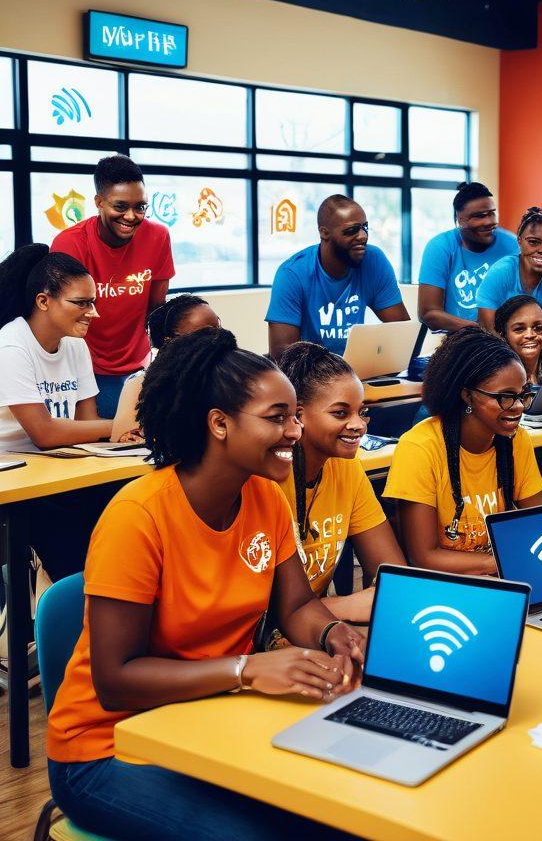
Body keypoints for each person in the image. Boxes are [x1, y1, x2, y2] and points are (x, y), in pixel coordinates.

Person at [46, 327, 365, 841]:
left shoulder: (266, 498)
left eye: (295, 416)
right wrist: (247, 669)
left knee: (343, 814)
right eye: (277, 418)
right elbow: (115, 680)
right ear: (219, 423)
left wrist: (333, 634)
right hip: (107, 750)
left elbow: (296, 606)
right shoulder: (138, 516)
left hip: (210, 722)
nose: (295, 432)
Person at [0, 245, 137, 581]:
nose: (93, 313)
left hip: (58, 467)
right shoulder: (11, 345)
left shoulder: (75, 344)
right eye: (81, 303)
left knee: (129, 496)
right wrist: (117, 424)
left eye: (93, 302)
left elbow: (86, 424)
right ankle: (78, 598)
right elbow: (44, 433)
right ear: (43, 301)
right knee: (71, 540)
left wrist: (124, 434)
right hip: (17, 475)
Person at [384, 326, 542, 574]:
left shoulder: (516, 439)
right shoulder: (419, 447)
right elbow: (424, 557)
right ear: (467, 397)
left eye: (523, 394)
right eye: (505, 396)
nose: (518, 406)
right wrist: (503, 563)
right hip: (446, 585)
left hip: (500, 576)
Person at [277, 342, 405, 623]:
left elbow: (392, 575)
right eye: (341, 413)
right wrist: (345, 606)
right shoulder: (269, 478)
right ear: (298, 415)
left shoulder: (346, 467)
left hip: (317, 626)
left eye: (362, 411)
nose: (359, 425)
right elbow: (264, 610)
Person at [51, 154, 174, 418]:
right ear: (99, 202)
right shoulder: (70, 243)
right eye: (120, 206)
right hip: (86, 366)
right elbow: (63, 318)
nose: (131, 216)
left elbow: (157, 308)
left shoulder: (158, 236)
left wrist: (162, 365)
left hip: (139, 365)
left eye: (140, 207)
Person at [266, 194, 408, 361]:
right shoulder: (292, 274)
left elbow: (404, 333)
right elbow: (282, 355)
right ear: (324, 233)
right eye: (351, 230)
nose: (363, 236)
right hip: (309, 371)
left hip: (356, 369)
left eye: (365, 227)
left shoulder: (374, 260)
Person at [476, 206, 542, 363]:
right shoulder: (501, 272)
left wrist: (519, 334)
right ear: (519, 241)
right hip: (503, 350)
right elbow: (488, 329)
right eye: (533, 242)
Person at [115, 294, 222, 437]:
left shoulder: (229, 374)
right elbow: (121, 437)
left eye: (218, 327)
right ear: (170, 342)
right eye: (204, 333)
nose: (218, 337)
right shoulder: (140, 385)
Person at [416, 181, 518, 331]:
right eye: (479, 216)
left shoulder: (512, 245)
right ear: (459, 220)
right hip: (456, 336)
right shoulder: (440, 247)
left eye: (492, 213)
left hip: (506, 335)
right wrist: (480, 330)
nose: (489, 221)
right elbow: (428, 313)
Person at [493, 294, 542, 386]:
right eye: (519, 329)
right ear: (503, 334)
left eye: (538, 328)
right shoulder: (495, 374)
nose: (530, 335)